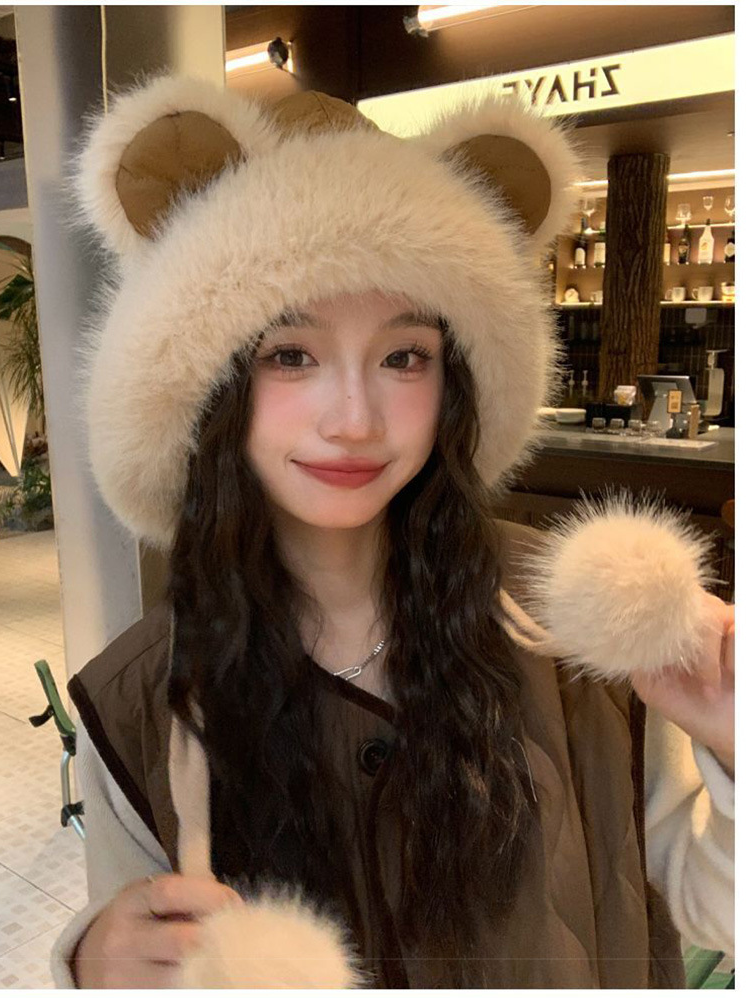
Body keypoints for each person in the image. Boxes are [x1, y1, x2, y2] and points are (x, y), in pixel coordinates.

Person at [51, 77, 734, 988]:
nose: (355, 419)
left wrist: (733, 744)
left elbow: (709, 907)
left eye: (404, 356)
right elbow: (150, 950)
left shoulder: (580, 623)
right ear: (208, 388)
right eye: (290, 354)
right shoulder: (143, 702)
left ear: (455, 382)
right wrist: (93, 960)